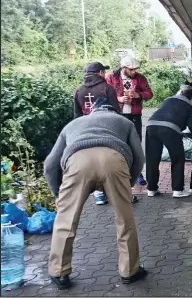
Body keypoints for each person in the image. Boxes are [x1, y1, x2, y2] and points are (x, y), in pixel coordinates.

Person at [43, 98, 147, 290]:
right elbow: (139, 158)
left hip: (77, 162)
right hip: (114, 161)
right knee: (125, 219)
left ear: (93, 111)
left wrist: (58, 193)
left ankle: (60, 272)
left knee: (66, 220)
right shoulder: (124, 122)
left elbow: (50, 164)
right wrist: (127, 184)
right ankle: (130, 271)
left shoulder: (73, 124)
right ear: (114, 111)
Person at [72, 62, 134, 205]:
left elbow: (76, 116)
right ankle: (120, 195)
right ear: (100, 73)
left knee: (92, 162)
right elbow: (116, 113)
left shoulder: (79, 90)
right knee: (113, 162)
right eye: (103, 72)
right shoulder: (107, 88)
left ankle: (99, 194)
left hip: (86, 132)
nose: (105, 74)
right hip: (108, 132)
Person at [144, 86, 192, 198]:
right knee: (177, 159)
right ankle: (178, 190)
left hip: (151, 126)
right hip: (170, 129)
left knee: (152, 159)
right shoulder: (191, 107)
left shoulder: (168, 99)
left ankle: (151, 189)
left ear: (180, 92)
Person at [106, 55, 153, 187]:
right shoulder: (111, 77)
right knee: (119, 144)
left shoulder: (140, 77)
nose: (134, 71)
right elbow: (105, 93)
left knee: (136, 144)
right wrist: (119, 99)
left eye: (135, 69)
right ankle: (121, 174)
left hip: (135, 115)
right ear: (124, 68)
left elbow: (149, 93)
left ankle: (137, 173)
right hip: (117, 115)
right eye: (131, 69)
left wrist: (139, 95)